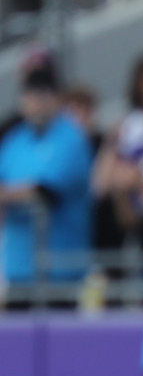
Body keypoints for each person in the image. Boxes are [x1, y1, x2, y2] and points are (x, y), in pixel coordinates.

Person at [0, 66, 94, 287]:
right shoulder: (15, 140)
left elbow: (46, 192)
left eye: (42, 94)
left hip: (61, 270)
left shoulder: (71, 138)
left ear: (56, 97)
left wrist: (8, 194)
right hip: (18, 267)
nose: (36, 102)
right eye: (31, 94)